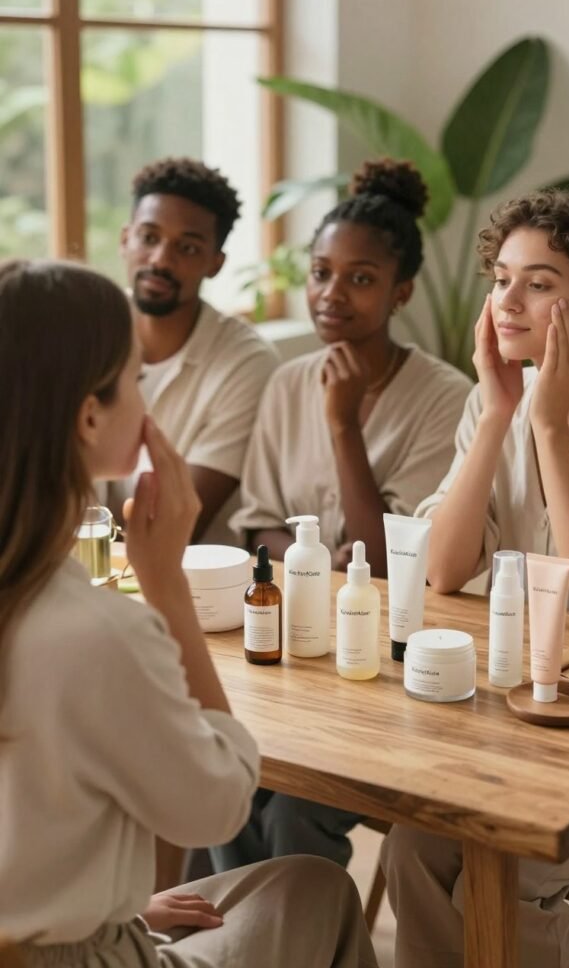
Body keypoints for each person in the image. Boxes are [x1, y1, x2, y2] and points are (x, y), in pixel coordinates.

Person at [0, 259, 378, 968]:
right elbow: (217, 806)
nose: (147, 400)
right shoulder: (96, 631)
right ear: (89, 415)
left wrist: (116, 903)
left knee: (298, 884)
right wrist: (165, 587)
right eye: (137, 379)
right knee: (318, 888)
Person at [211, 158, 471, 874]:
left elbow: (388, 564)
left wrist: (343, 427)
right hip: (292, 654)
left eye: (360, 278)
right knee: (222, 771)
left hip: (381, 671)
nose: (331, 294)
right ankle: (236, 938)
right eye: (321, 272)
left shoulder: (444, 399)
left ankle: (287, 939)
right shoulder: (286, 380)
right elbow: (259, 523)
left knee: (294, 806)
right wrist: (303, 580)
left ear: (401, 291)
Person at [383, 189, 569, 968]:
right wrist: (502, 411)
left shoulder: (551, 411)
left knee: (504, 868)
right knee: (412, 848)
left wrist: (547, 428)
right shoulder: (500, 397)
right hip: (523, 719)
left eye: (538, 283)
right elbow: (442, 567)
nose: (506, 301)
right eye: (500, 278)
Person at [107, 157, 278, 544]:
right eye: (149, 237)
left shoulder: (246, 362)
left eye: (186, 247)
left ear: (215, 263)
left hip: (198, 583)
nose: (161, 260)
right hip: (86, 571)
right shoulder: (88, 330)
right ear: (125, 239)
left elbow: (173, 527)